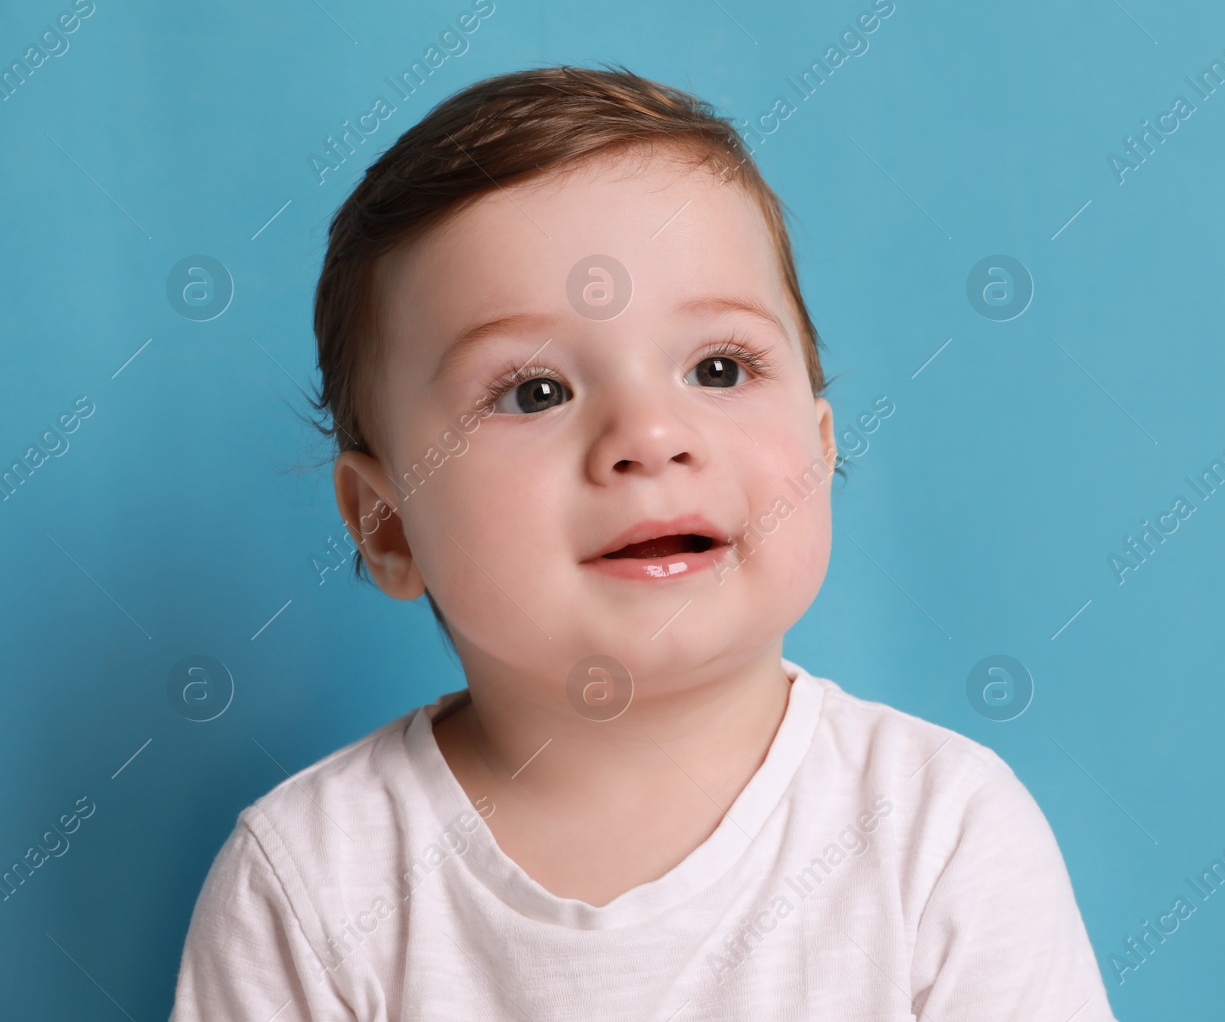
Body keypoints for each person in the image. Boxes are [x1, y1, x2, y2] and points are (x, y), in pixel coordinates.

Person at [168, 64, 1118, 1021]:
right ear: (387, 522)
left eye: (718, 366)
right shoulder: (312, 881)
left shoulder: (940, 834)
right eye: (534, 392)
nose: (649, 436)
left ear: (824, 451)